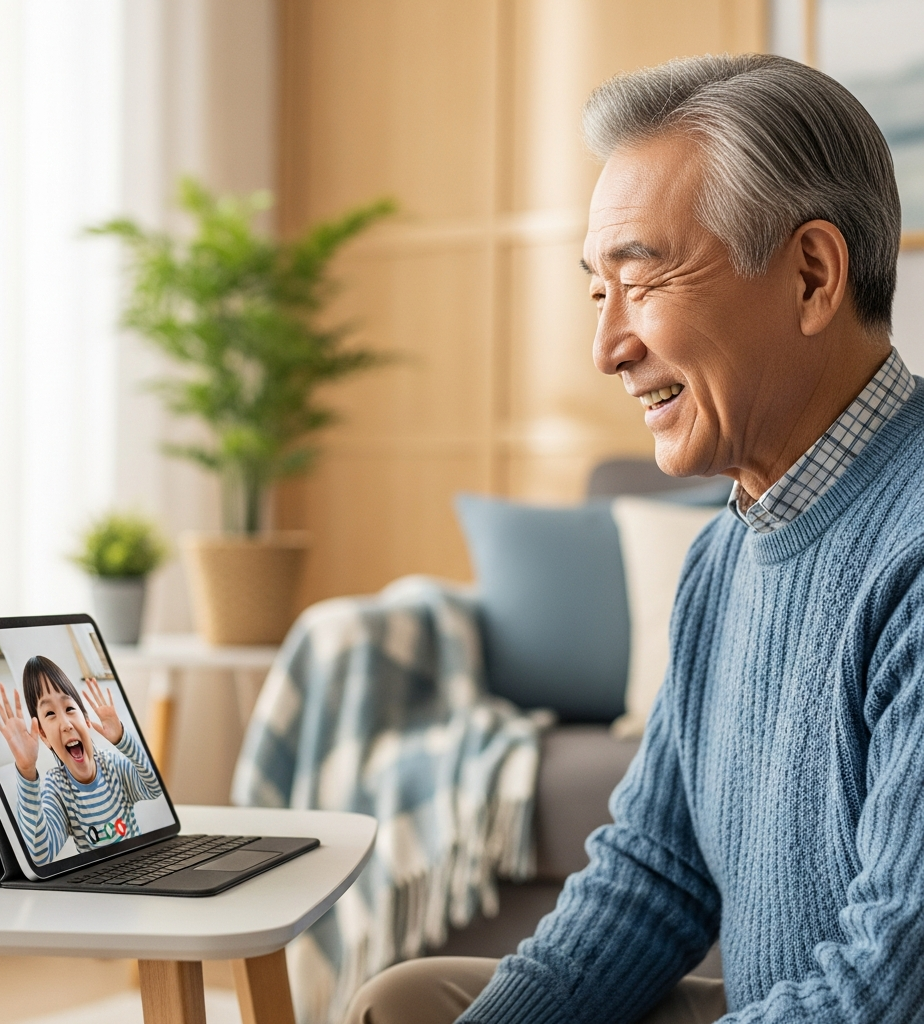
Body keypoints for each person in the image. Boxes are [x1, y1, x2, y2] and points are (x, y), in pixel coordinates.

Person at [344, 53, 924, 1024]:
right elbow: (651, 878)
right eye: (594, 294)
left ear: (812, 275)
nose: (606, 347)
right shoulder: (721, 555)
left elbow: (889, 983)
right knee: (409, 998)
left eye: (641, 284)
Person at [0, 655, 162, 864]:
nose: (66, 724)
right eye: (50, 713)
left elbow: (154, 787)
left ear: (86, 719)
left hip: (139, 869)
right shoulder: (57, 788)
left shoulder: (113, 766)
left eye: (70, 709)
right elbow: (39, 853)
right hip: (97, 888)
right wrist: (26, 771)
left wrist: (122, 740)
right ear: (44, 736)